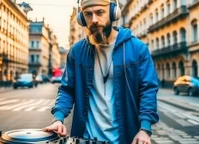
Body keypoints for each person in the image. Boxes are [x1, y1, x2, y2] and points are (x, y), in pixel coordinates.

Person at [43, 0, 159, 143]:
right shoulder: (76, 51)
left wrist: (145, 129)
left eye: (100, 12)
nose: (94, 20)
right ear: (81, 19)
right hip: (85, 138)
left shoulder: (137, 48)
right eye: (88, 14)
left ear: (113, 13)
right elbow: (67, 89)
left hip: (126, 138)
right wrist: (58, 118)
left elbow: (147, 91)